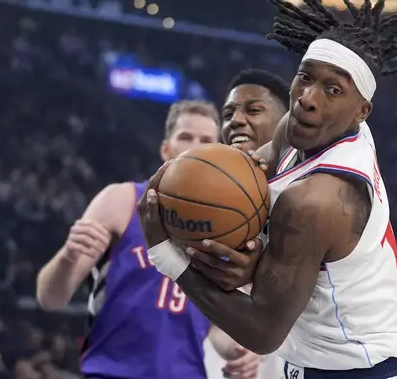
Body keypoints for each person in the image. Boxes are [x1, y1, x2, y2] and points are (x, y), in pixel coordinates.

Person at [140, 0, 397, 378]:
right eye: (304, 77)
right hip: (319, 360)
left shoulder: (316, 202)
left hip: (360, 370)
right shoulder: (312, 125)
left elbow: (263, 332)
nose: (307, 98)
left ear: (362, 111)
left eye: (333, 89)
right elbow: (252, 169)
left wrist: (168, 255)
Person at [36, 100, 261, 379]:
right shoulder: (121, 200)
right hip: (113, 372)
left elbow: (215, 327)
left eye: (205, 141)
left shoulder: (228, 228)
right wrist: (68, 257)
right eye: (185, 137)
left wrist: (242, 351)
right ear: (166, 149)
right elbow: (51, 298)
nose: (195, 146)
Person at [206, 68, 291, 379]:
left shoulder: (310, 192)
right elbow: (215, 321)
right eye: (228, 113)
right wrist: (237, 348)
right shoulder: (214, 206)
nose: (236, 121)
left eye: (253, 109)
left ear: (288, 123)